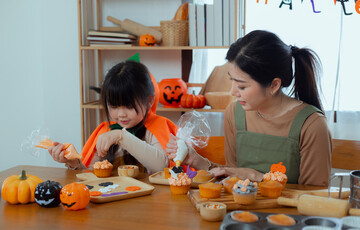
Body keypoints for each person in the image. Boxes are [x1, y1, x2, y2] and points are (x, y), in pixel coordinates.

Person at [167, 30, 332, 186]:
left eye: (242, 86)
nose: (232, 92)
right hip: (240, 213)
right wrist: (196, 160)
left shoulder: (312, 125)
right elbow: (233, 177)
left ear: (274, 85)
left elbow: (314, 196)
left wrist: (256, 176)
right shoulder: (234, 113)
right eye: (232, 81)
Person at [48, 60, 177, 174]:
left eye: (129, 106)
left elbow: (162, 167)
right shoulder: (106, 132)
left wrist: (121, 136)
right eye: (114, 107)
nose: (121, 114)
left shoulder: (156, 128)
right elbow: (91, 174)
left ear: (149, 101)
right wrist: (74, 163)